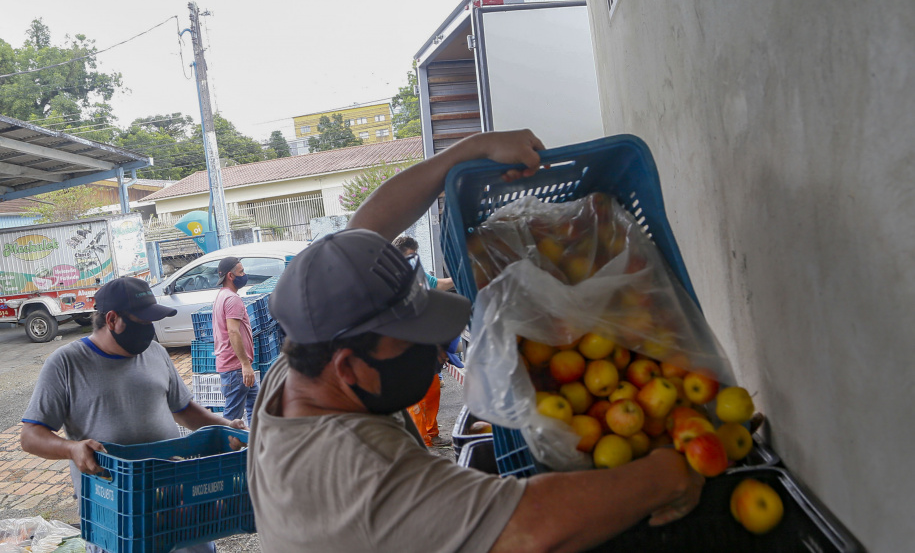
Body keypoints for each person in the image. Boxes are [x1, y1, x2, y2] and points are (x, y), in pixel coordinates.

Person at [247, 130, 704, 552]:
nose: (429, 351)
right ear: (347, 367)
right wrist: (668, 475)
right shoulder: (361, 479)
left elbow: (366, 231)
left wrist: (473, 148)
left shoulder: (299, 367)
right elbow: (536, 525)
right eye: (410, 339)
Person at [20, 276, 245, 553]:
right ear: (112, 319)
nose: (149, 330)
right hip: (113, 502)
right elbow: (30, 436)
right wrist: (71, 448)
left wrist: (226, 426)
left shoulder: (154, 352)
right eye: (142, 322)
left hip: (173, 492)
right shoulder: (66, 364)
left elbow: (185, 410)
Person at [392, 234, 451, 447]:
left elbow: (438, 285)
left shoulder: (419, 276)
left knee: (432, 389)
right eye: (409, 257)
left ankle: (432, 433)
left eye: (415, 256)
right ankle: (421, 442)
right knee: (416, 396)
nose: (413, 261)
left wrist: (460, 277)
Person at [213, 256, 259, 425]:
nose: (244, 275)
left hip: (236, 369)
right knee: (231, 420)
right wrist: (245, 365)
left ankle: (256, 443)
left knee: (257, 405)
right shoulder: (232, 299)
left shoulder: (222, 296)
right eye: (241, 272)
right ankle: (222, 449)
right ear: (230, 276)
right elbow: (233, 332)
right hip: (236, 369)